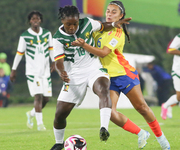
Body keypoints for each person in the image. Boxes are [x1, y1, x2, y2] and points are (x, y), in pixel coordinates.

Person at [72, 1, 170, 150]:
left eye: (114, 12)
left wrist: (84, 45)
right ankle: (141, 133)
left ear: (121, 16)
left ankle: (162, 139)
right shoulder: (98, 28)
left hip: (124, 74)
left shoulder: (118, 32)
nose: (109, 14)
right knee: (110, 112)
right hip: (107, 78)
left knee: (142, 107)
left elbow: (104, 52)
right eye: (108, 11)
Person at [50, 5, 131, 150]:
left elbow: (102, 26)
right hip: (74, 74)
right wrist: (62, 72)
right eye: (68, 24)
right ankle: (58, 142)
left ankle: (103, 128)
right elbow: (59, 62)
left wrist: (113, 24)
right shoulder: (57, 38)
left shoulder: (87, 23)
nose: (72, 27)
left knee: (103, 89)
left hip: (94, 67)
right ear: (62, 21)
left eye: (75, 23)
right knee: (60, 114)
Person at [10, 10, 55, 131]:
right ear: (30, 21)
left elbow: (51, 49)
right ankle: (40, 124)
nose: (35, 21)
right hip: (32, 71)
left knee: (46, 99)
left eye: (37, 18)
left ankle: (31, 114)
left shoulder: (47, 34)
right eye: (33, 19)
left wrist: (54, 62)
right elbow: (19, 54)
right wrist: (13, 70)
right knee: (38, 96)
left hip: (45, 71)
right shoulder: (25, 36)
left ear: (40, 20)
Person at [161, 33, 180, 120]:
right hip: (178, 70)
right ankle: (165, 105)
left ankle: (169, 106)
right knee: (179, 96)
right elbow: (170, 50)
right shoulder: (179, 37)